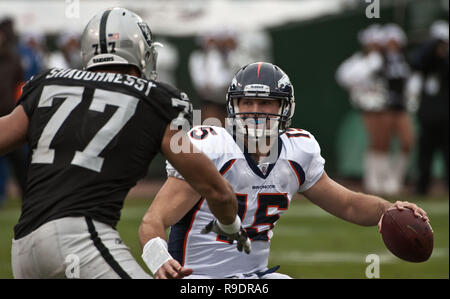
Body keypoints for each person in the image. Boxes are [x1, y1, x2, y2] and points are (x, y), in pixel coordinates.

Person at [0, 7, 248, 279]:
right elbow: (216, 189)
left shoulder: (49, 83)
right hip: (82, 238)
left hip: (24, 248)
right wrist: (230, 224)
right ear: (141, 52)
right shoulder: (157, 99)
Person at [138, 62, 429, 279]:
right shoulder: (212, 148)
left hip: (255, 278)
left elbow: (349, 205)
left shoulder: (297, 152)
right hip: (197, 279)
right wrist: (159, 259)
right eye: (246, 102)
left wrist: (388, 209)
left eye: (265, 103)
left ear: (284, 109)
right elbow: (153, 220)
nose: (255, 111)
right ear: (232, 107)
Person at [410, 20, 449, 195]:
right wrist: (432, 46)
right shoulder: (426, 61)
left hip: (445, 114)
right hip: (428, 114)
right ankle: (422, 187)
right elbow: (416, 61)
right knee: (425, 153)